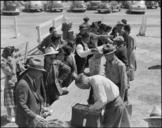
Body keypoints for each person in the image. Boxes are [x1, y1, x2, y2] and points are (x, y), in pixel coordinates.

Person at [14, 56, 51, 127]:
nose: (41, 74)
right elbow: (21, 105)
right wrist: (34, 116)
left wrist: (42, 108)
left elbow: (35, 97)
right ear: (33, 71)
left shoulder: (33, 80)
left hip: (32, 120)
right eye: (40, 72)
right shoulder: (23, 84)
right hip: (26, 122)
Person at [1, 46, 18, 122]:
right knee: (9, 102)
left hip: (14, 82)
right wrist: (12, 63)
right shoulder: (3, 62)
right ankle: (9, 116)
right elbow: (10, 72)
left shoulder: (12, 60)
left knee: (15, 100)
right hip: (9, 83)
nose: (14, 53)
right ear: (9, 53)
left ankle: (16, 114)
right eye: (13, 52)